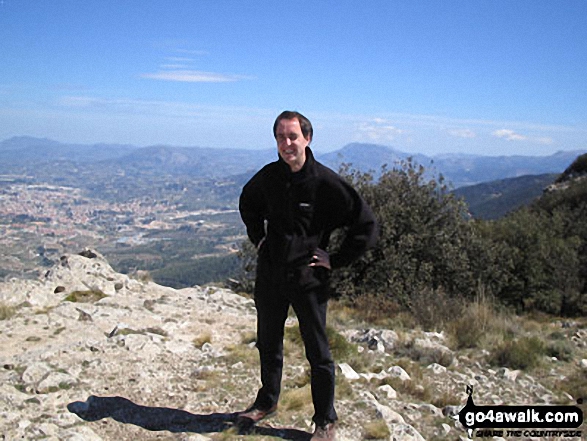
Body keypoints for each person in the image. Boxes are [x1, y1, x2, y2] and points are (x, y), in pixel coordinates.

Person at [238, 110, 378, 440]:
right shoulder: (269, 177)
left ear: (307, 139)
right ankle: (267, 401)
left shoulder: (326, 183)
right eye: (280, 137)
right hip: (270, 275)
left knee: (318, 353)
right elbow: (248, 202)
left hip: (309, 280)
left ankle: (325, 420)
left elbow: (366, 225)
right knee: (268, 343)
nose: (286, 143)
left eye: (292, 137)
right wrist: (259, 238)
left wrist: (337, 258)